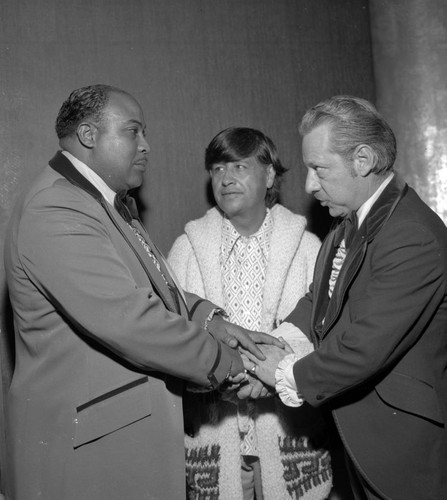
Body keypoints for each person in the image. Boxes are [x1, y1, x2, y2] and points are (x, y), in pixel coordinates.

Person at [3, 85, 280, 500]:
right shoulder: (56, 208)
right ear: (88, 135)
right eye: (133, 132)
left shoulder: (101, 202)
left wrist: (212, 321)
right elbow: (130, 319)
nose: (146, 146)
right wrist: (231, 363)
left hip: (116, 439)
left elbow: (156, 287)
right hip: (89, 453)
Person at [241, 96, 447, 500]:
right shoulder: (350, 219)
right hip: (361, 435)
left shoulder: (412, 235)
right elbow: (320, 299)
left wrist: (284, 372)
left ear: (363, 159)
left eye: (319, 169)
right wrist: (278, 341)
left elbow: (365, 347)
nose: (308, 185)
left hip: (402, 447)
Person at [168, 127, 332, 500]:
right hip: (213, 429)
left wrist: (272, 375)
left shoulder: (308, 248)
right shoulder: (185, 250)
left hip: (288, 426)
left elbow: (325, 337)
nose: (225, 179)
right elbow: (172, 337)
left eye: (239, 167)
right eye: (217, 169)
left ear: (270, 175)